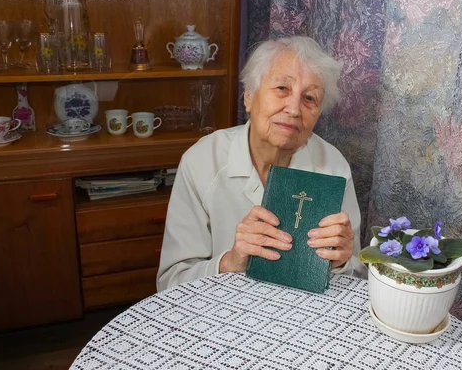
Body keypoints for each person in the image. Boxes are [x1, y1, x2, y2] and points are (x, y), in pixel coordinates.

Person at [157, 36, 367, 290]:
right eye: (282, 89)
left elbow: (357, 280)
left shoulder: (333, 167)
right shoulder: (202, 161)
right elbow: (170, 283)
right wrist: (230, 261)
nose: (293, 109)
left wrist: (342, 262)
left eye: (309, 98)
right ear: (248, 97)